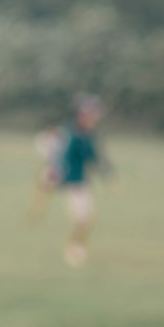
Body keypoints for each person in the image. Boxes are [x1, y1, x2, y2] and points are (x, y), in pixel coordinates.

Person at [54, 92, 108, 266]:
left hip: (82, 182)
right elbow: (62, 156)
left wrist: (107, 173)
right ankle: (73, 248)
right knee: (81, 218)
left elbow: (93, 157)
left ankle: (77, 245)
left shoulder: (88, 135)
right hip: (71, 182)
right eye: (91, 112)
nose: (94, 116)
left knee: (87, 218)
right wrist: (56, 172)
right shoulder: (71, 133)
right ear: (81, 114)